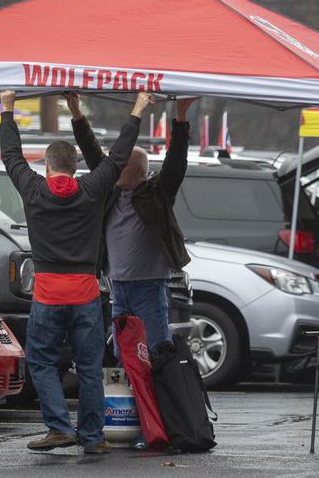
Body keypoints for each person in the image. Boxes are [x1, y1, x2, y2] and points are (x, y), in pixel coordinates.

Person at [0, 89, 150, 455]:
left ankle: (57, 427)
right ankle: (93, 437)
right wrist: (138, 108)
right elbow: (116, 158)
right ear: (74, 167)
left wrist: (7, 108)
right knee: (89, 366)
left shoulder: (34, 189)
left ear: (48, 166)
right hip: (85, 292)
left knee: (41, 361)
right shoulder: (91, 189)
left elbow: (10, 155)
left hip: (48, 292)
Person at [69, 95, 195, 447]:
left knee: (156, 358)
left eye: (121, 163)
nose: (114, 165)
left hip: (150, 291)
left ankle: (162, 427)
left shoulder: (156, 194)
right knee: (124, 361)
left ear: (137, 172)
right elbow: (94, 152)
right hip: (119, 290)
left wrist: (180, 116)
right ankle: (132, 424)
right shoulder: (109, 192)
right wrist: (77, 112)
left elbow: (176, 164)